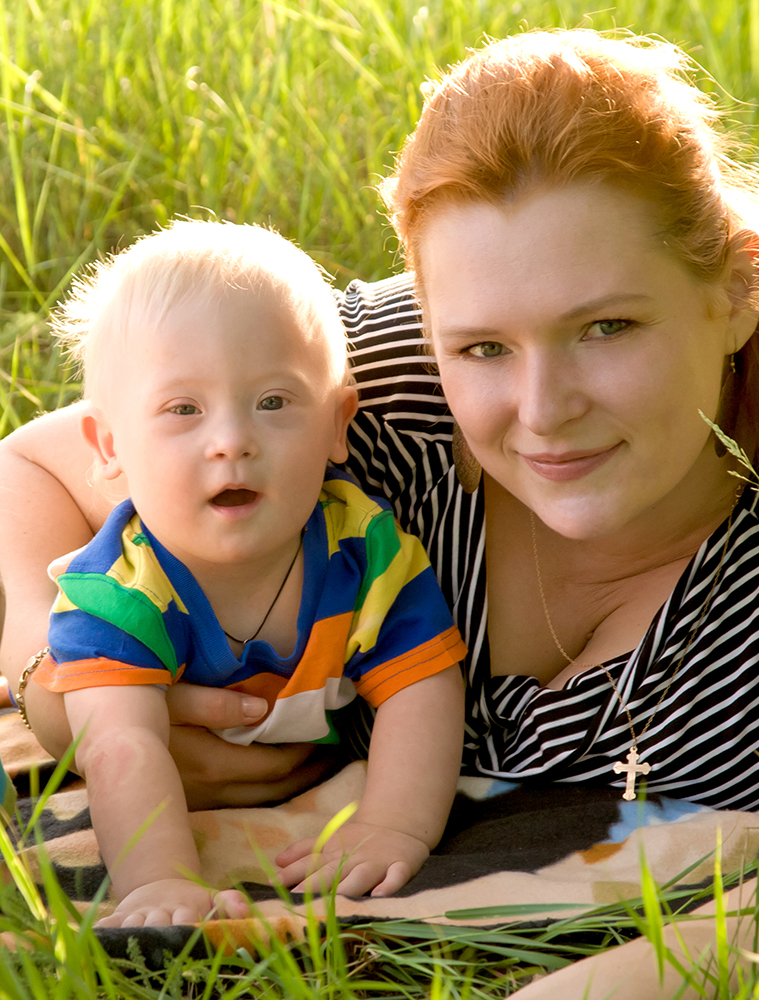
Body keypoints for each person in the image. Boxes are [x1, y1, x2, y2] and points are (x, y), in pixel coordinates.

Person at [1, 27, 759, 995]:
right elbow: (35, 471)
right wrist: (78, 691)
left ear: (735, 286)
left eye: (605, 327)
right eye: (481, 348)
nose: (541, 408)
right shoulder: (373, 396)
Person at [28, 220, 466, 927]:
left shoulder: (363, 548)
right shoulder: (115, 593)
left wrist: (394, 823)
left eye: (273, 402)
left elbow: (424, 688)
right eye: (183, 410)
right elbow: (121, 745)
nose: (231, 442)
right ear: (109, 447)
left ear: (337, 422)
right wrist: (159, 881)